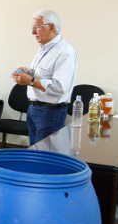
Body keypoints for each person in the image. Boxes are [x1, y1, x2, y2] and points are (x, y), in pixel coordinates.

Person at [11, 9, 78, 145]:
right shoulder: (43, 48)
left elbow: (59, 87)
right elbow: (43, 74)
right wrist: (28, 71)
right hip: (34, 109)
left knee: (44, 156)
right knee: (35, 153)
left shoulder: (65, 52)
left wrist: (30, 81)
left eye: (36, 27)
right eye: (32, 28)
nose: (33, 32)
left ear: (51, 26)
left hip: (50, 113)